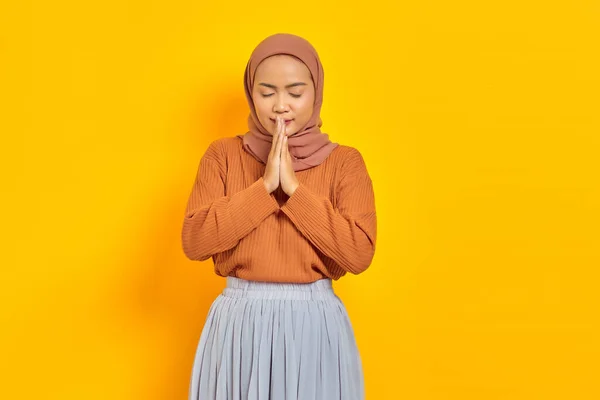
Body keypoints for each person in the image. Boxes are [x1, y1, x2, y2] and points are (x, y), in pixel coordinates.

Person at [182, 33, 377, 400]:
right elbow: (195, 241)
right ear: (250, 93)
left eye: (295, 92)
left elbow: (358, 253)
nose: (280, 106)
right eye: (267, 92)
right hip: (239, 322)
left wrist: (294, 191)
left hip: (314, 323)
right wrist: (265, 187)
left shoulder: (344, 163)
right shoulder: (222, 155)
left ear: (316, 93)